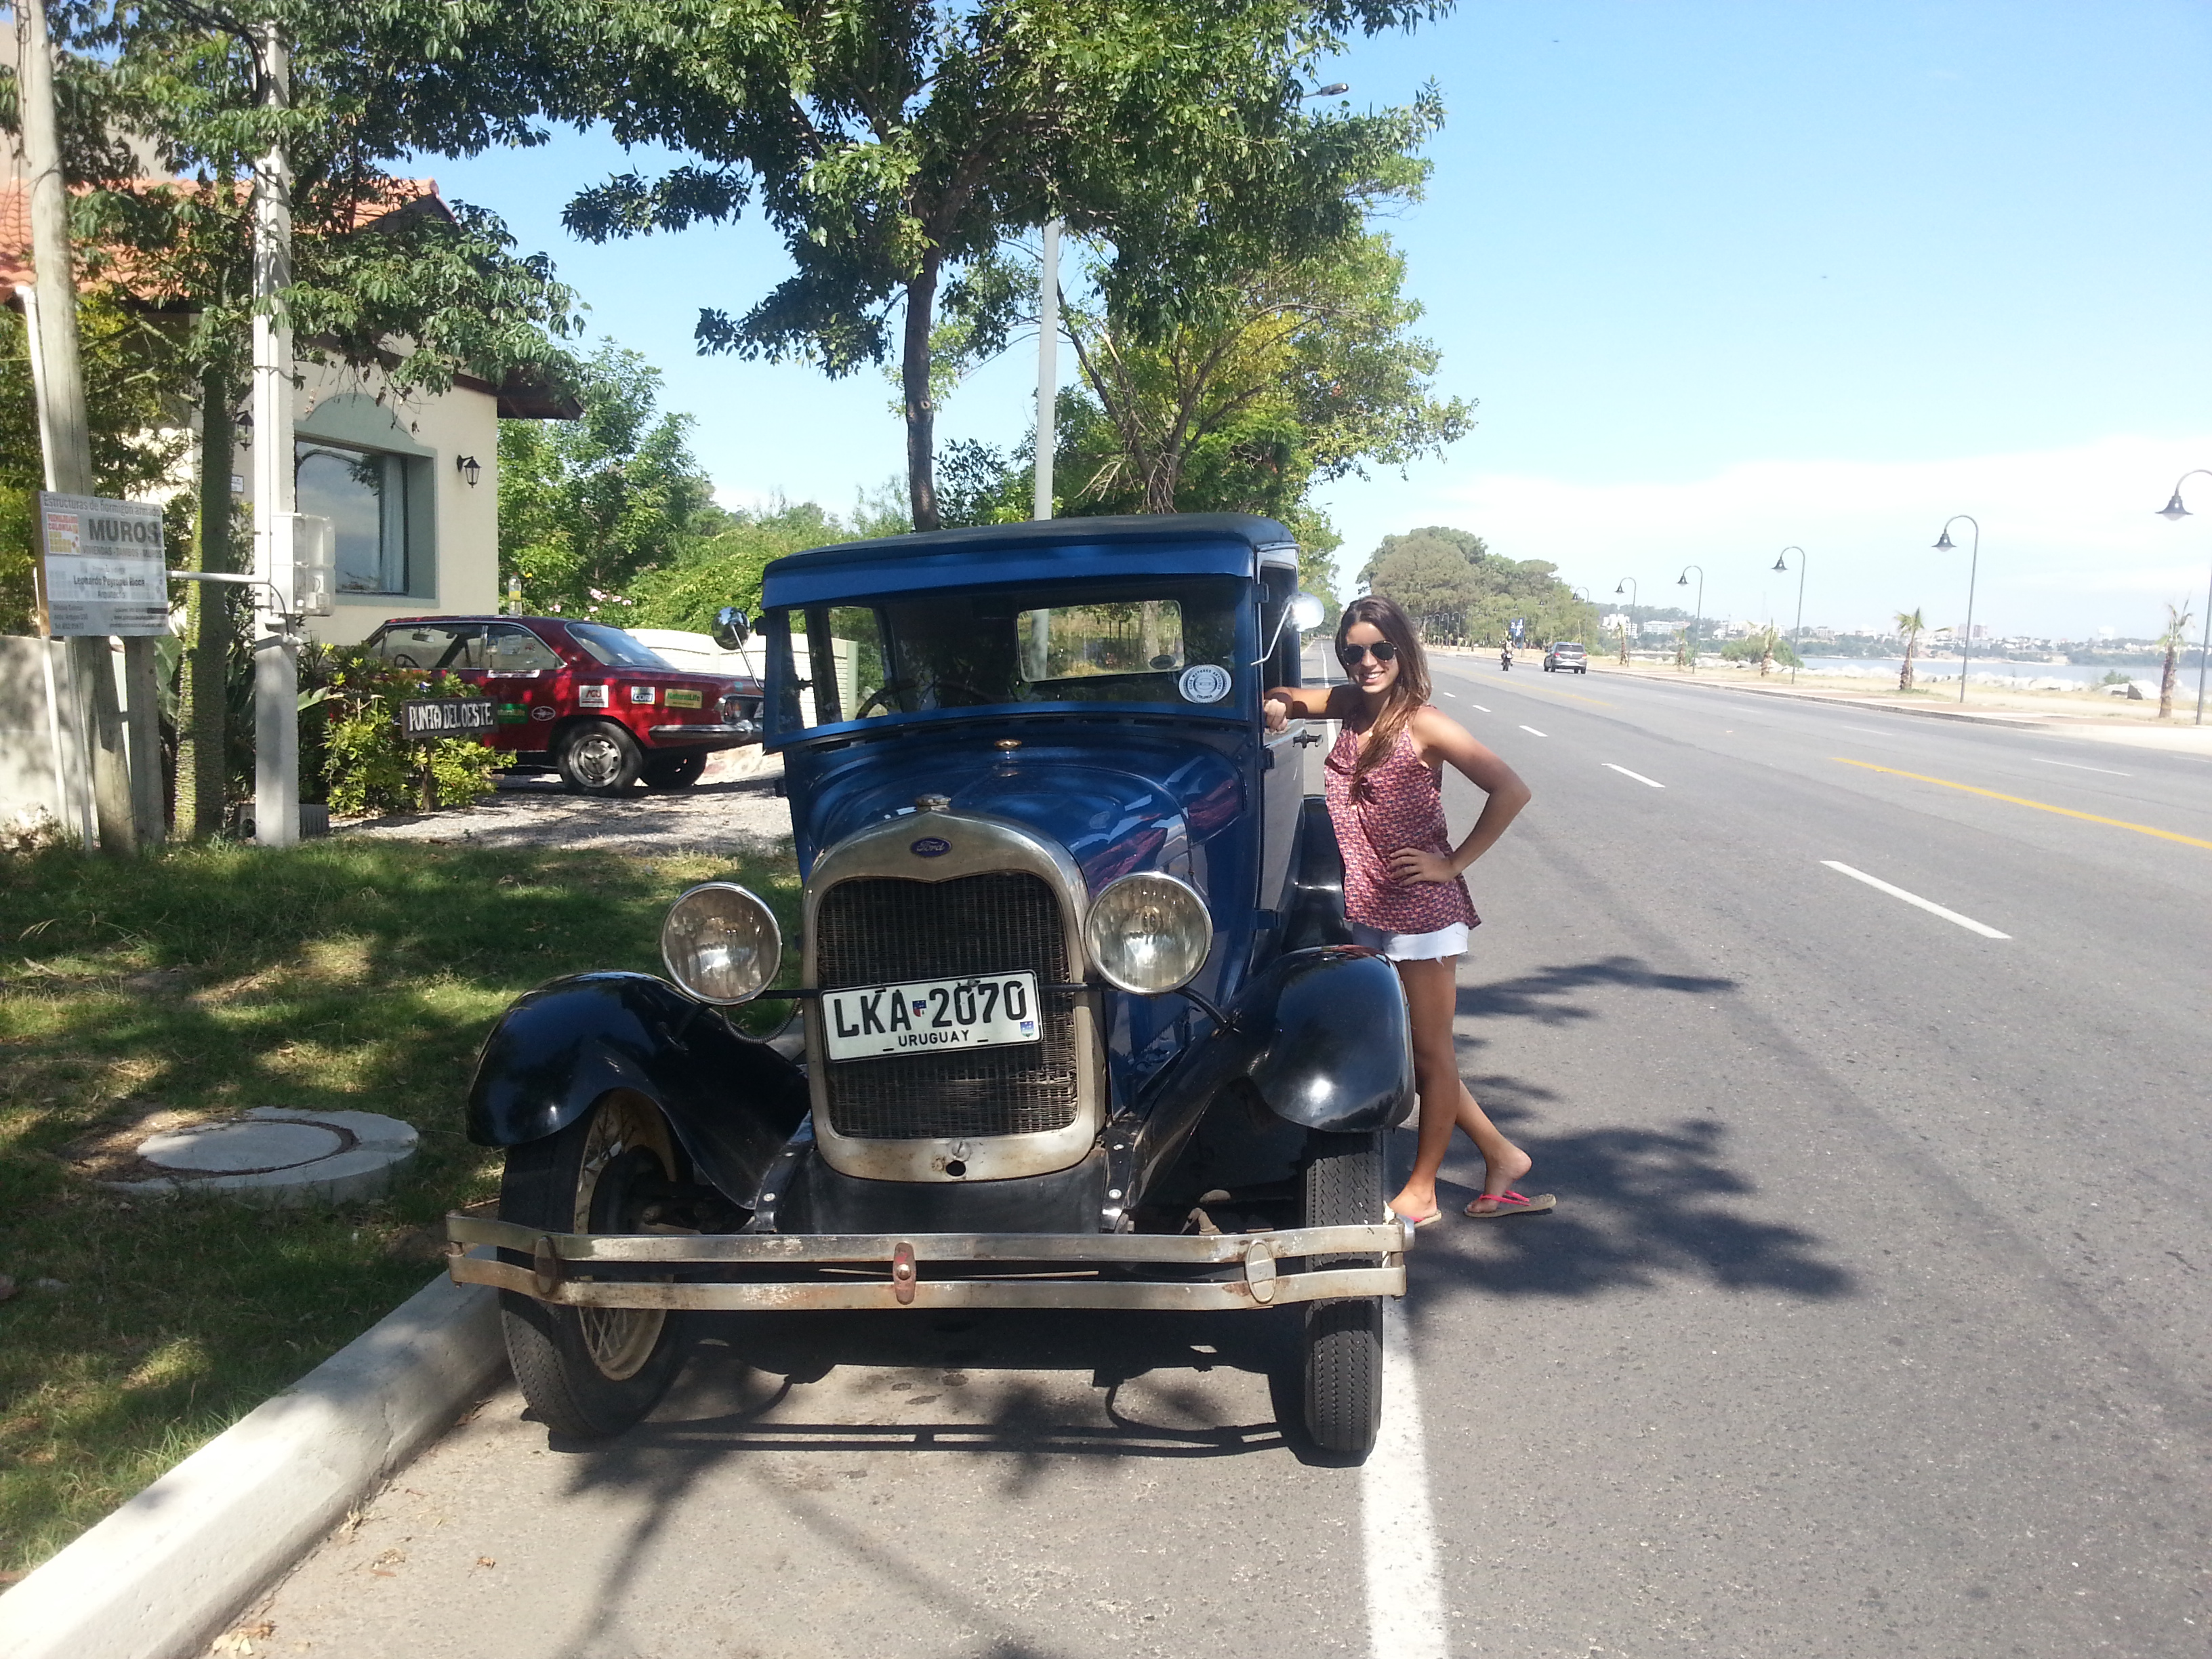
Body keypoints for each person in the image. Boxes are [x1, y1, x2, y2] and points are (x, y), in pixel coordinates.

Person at [1265, 596, 1547, 1225]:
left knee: (1431, 1054)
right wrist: (1282, 700)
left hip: (1422, 911)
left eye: (1380, 650)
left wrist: (1452, 863)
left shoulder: (1425, 724)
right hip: (1372, 907)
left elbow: (1511, 789)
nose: (1367, 662)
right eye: (1354, 651)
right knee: (1418, 1050)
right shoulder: (1350, 708)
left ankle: (1422, 1190)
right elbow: (1291, 693)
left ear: (1403, 651)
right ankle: (1502, 1156)